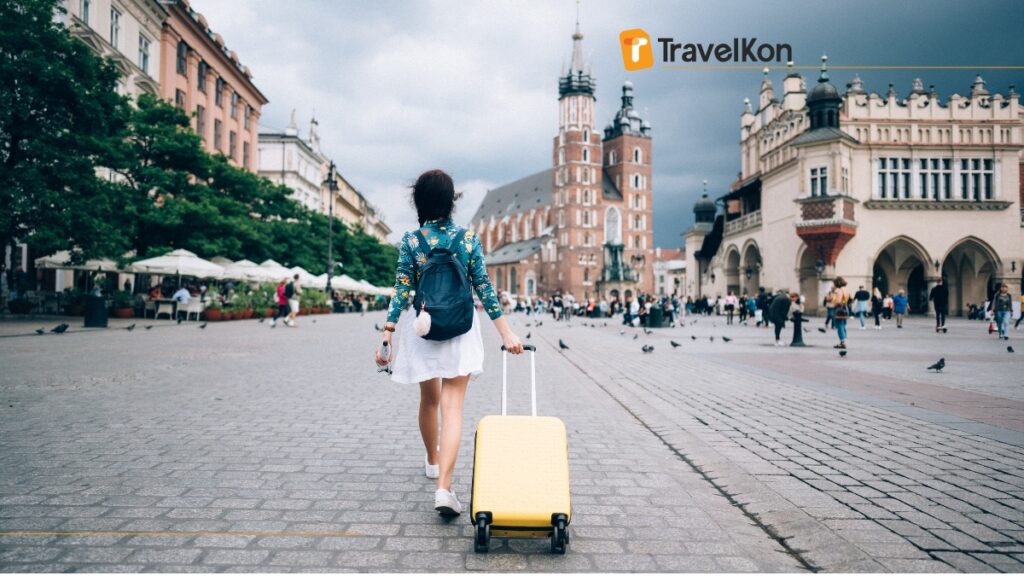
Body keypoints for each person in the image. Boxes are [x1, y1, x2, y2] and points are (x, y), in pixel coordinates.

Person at [376, 169, 523, 518]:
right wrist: (506, 333)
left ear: (420, 201)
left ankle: (431, 459)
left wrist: (387, 333)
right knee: (453, 406)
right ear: (451, 200)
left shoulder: (411, 240)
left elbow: (402, 290)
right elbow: (484, 288)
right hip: (460, 326)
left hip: (424, 328)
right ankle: (444, 487)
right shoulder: (468, 239)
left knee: (429, 400)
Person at [830, 277, 851, 349]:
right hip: (845, 308)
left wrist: (834, 305)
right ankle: (843, 340)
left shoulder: (839, 290)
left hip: (839, 309)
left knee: (839, 325)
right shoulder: (845, 289)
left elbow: (838, 301)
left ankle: (842, 342)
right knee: (843, 324)